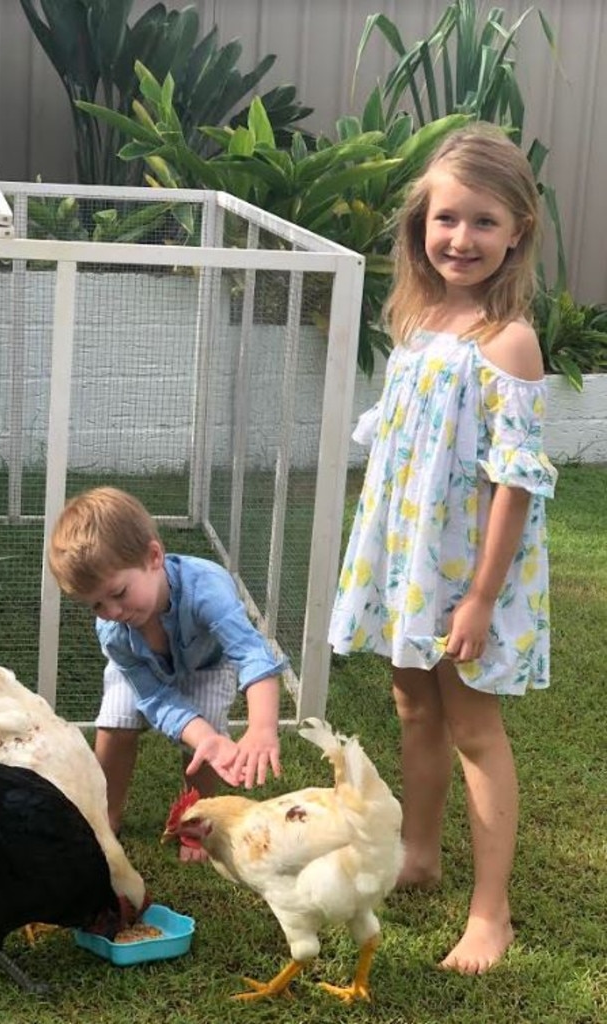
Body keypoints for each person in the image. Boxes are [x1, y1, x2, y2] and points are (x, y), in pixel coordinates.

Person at [328, 124, 557, 974]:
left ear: (518, 231)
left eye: (484, 222)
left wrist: (481, 597)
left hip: (464, 573)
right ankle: (418, 854)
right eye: (446, 218)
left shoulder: (508, 341)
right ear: (422, 222)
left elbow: (515, 482)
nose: (461, 239)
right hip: (407, 564)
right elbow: (400, 452)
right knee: (412, 708)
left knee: (472, 727)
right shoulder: (419, 320)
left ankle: (490, 915)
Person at [48, 486, 283, 861]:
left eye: (119, 593)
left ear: (153, 556)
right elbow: (155, 698)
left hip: (208, 664)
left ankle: (200, 824)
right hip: (146, 672)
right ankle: (105, 815)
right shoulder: (114, 631)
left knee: (205, 752)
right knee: (115, 721)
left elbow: (253, 654)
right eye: (96, 605)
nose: (113, 611)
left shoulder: (207, 590)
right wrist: (200, 732)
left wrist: (261, 728)